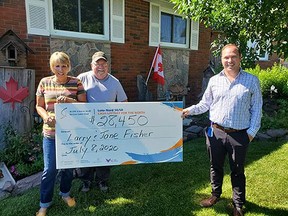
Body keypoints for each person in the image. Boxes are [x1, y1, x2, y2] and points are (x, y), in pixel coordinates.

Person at [182, 44, 262, 216]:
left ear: (240, 58)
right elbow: (205, 104)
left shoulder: (251, 80)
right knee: (215, 166)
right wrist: (188, 110)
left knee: (237, 170)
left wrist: (251, 133)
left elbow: (257, 109)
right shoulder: (214, 80)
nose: (229, 60)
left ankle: (238, 204)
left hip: (239, 134)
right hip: (215, 132)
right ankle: (215, 195)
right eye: (226, 57)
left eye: (233, 56)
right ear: (221, 59)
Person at [35, 51, 86, 216]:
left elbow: (85, 106)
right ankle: (44, 203)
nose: (61, 69)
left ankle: (65, 194)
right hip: (51, 134)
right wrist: (46, 117)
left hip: (70, 134)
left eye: (64, 66)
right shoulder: (44, 82)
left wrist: (71, 101)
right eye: (57, 65)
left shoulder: (76, 82)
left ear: (68, 66)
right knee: (49, 170)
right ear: (52, 66)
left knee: (67, 168)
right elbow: (39, 106)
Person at [77, 51, 128, 192]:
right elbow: (73, 98)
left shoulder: (115, 82)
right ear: (91, 65)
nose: (101, 67)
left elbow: (124, 101)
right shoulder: (82, 78)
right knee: (86, 153)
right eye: (97, 64)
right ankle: (86, 181)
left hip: (107, 126)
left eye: (104, 64)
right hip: (86, 125)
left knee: (104, 153)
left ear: (107, 65)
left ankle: (102, 181)